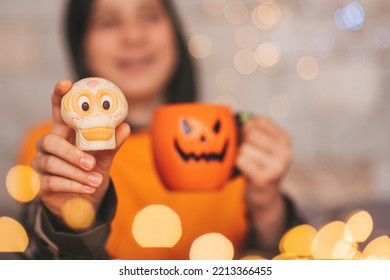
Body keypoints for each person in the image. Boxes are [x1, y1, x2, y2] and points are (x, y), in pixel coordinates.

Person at [18, 0, 302, 260]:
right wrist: (70, 221)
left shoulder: (229, 145)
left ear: (174, 33)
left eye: (149, 16)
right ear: (81, 44)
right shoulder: (59, 147)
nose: (134, 36)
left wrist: (268, 208)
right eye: (109, 22)